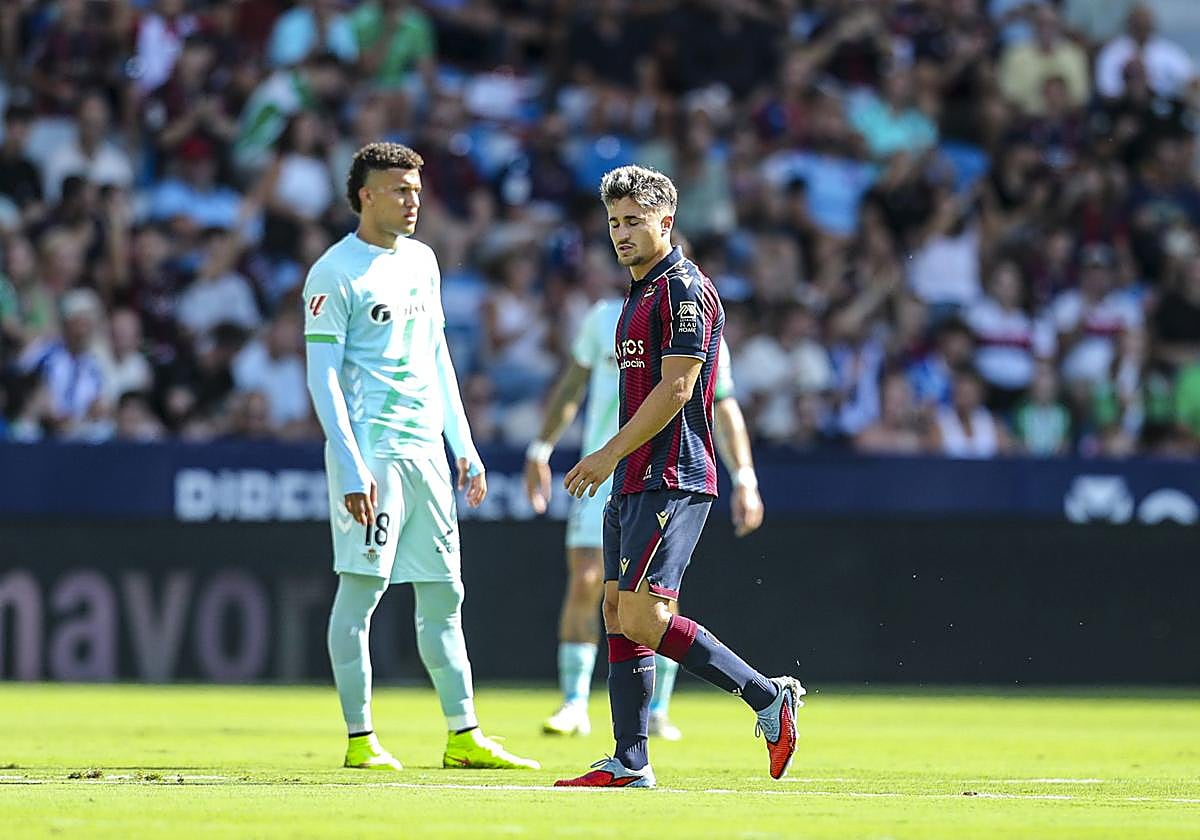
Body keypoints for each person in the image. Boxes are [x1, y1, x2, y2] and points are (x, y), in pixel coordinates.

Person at [554, 166, 802, 789]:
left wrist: (607, 453)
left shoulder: (684, 290)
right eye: (614, 222)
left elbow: (680, 388)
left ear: (667, 221)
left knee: (643, 618)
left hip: (671, 473)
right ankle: (630, 761)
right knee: (617, 610)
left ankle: (767, 697)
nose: (622, 233)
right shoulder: (638, 293)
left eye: (635, 220)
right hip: (634, 478)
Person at [303, 142, 539, 772]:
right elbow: (322, 377)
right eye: (399, 189)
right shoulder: (335, 272)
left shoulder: (424, 262)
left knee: (444, 595)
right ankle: (361, 741)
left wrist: (463, 445)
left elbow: (436, 357)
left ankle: (463, 734)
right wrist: (349, 462)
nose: (413, 200)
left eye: (416, 188)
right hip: (372, 454)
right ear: (364, 195)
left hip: (425, 452)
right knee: (362, 593)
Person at [526, 260, 765, 742]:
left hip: (659, 470)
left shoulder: (693, 309)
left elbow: (722, 401)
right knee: (590, 584)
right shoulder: (605, 318)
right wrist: (541, 447)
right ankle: (575, 703)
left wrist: (746, 477)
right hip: (602, 471)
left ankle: (657, 708)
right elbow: (572, 385)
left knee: (654, 599)